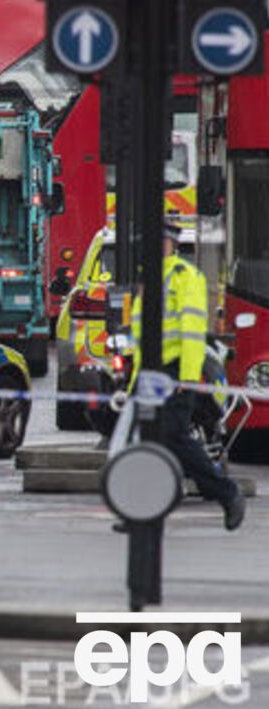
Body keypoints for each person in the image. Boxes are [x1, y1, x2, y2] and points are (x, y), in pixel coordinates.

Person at [131, 221, 245, 531]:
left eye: (158, 241)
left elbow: (193, 332)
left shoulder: (184, 277)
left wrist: (188, 377)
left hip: (174, 369)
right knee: (141, 440)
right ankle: (142, 510)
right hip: (150, 373)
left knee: (175, 436)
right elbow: (142, 335)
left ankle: (227, 493)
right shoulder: (148, 278)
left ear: (170, 244)